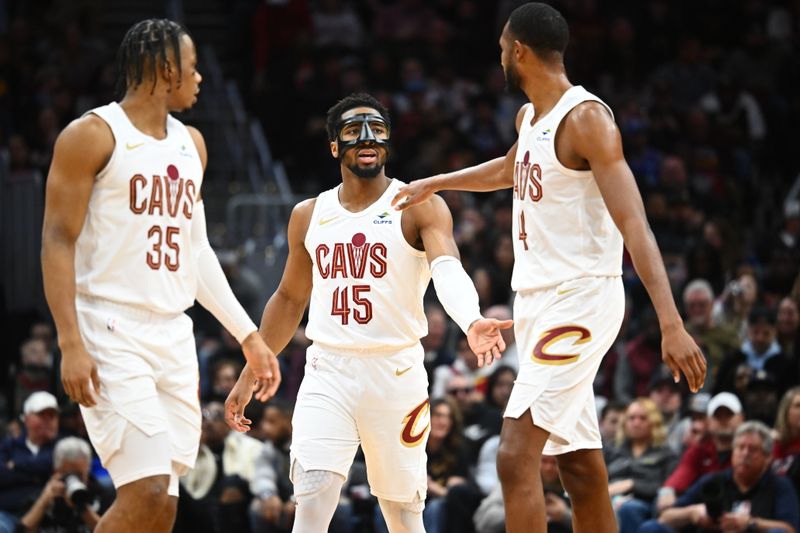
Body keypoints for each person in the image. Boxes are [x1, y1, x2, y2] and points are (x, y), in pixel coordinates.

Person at [391, 4, 707, 531]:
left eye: (500, 50)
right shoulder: (530, 117)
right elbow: (509, 168)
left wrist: (671, 324)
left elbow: (637, 226)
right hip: (537, 303)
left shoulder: (587, 119)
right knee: (579, 467)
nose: (498, 61)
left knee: (515, 453)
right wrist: (438, 181)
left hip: (581, 299)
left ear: (518, 51)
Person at [224, 92, 512, 533]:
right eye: (354, 130)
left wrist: (471, 320)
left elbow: (447, 267)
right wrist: (252, 368)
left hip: (395, 372)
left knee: (402, 512)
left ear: (388, 141)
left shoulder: (418, 203)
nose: (367, 138)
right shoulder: (308, 214)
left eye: (377, 129)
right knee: (313, 492)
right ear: (334, 146)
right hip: (328, 369)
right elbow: (288, 299)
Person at [40, 19, 279, 533]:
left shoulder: (192, 144)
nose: (199, 79)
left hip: (173, 334)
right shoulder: (91, 135)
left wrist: (248, 335)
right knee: (145, 489)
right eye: (192, 68)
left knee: (161, 505)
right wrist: (69, 342)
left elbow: (197, 252)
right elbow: (56, 241)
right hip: (108, 327)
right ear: (166, 69)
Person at [639, 421, 799, 533]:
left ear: (768, 458)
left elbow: (789, 529)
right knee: (651, 528)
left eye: (753, 449)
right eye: (740, 448)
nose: (745, 454)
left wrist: (750, 524)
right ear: (732, 453)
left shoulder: (779, 485)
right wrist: (691, 513)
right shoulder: (713, 480)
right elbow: (665, 517)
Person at [20, 437, 112, 533]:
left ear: (87, 470)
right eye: (69, 474)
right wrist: (44, 501)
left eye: (79, 475)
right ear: (56, 471)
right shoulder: (43, 493)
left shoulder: (101, 494)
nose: (74, 480)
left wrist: (81, 506)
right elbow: (23, 530)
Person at [0, 392, 61, 533]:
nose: (48, 421)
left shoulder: (63, 446)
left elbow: (57, 467)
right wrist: (39, 476)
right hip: (8, 514)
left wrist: (15, 466)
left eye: (52, 416)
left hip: (52, 519)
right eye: (41, 415)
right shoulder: (9, 445)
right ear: (26, 419)